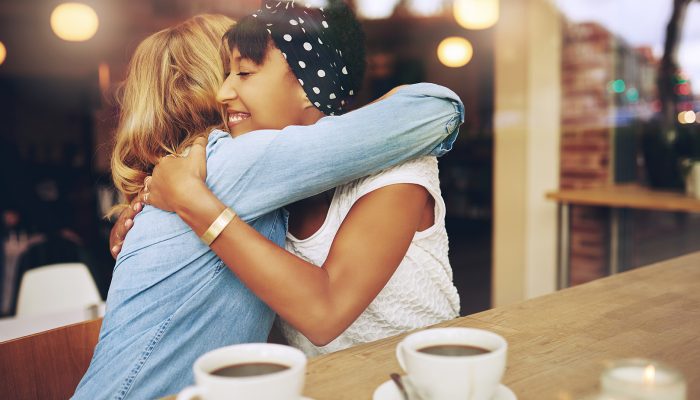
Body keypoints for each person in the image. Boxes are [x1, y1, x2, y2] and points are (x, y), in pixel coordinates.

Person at [77, 10, 463, 400]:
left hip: (433, 384)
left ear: (308, 83)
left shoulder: (211, 178)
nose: (223, 92)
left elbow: (320, 312)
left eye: (243, 73)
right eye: (225, 73)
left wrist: (193, 203)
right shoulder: (233, 176)